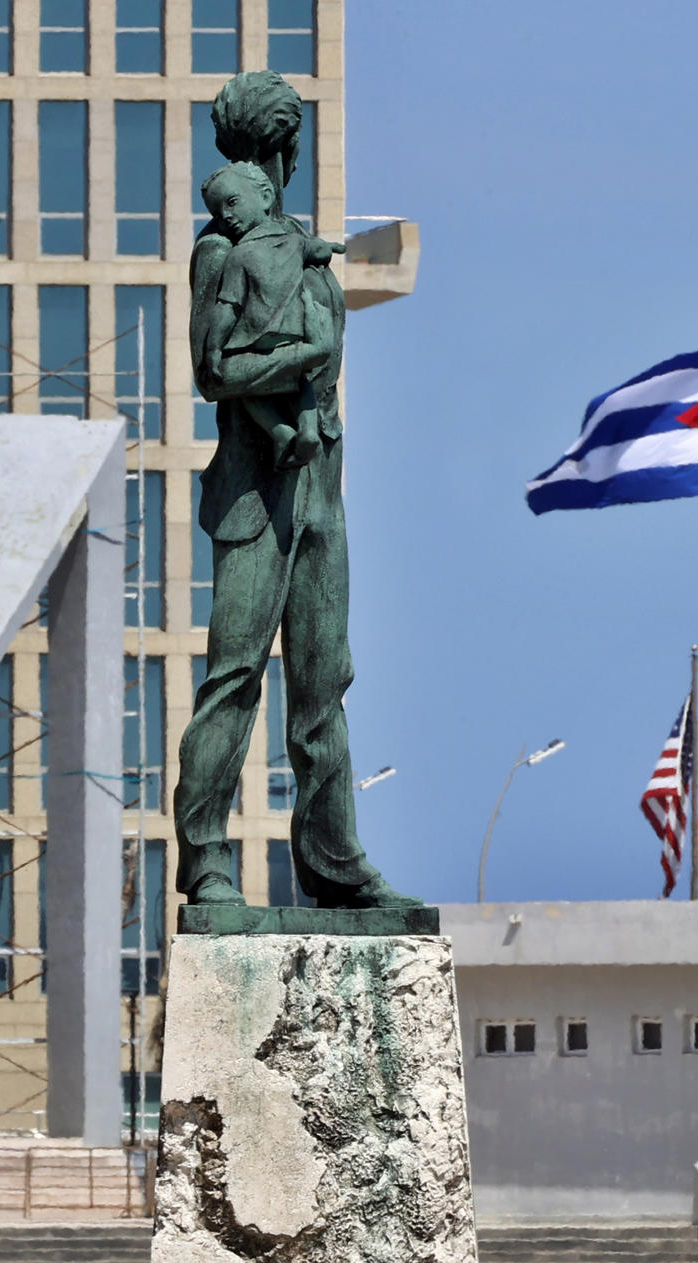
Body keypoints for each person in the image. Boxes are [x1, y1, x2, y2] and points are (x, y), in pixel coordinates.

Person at [172, 71, 419, 911]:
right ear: (285, 150)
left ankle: (333, 860)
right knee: (234, 674)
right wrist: (296, 362)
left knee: (323, 681)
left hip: (320, 490)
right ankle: (205, 855)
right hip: (253, 495)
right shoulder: (218, 250)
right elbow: (213, 370)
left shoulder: (303, 244)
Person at [198, 159, 346, 472]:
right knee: (299, 382)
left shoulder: (238, 256)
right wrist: (328, 247)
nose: (225, 216)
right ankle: (307, 430)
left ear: (266, 197)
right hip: (294, 342)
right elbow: (318, 251)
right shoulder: (294, 242)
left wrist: (213, 348)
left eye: (232, 202)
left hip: (255, 345)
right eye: (217, 212)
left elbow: (228, 307)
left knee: (245, 388)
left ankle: (282, 433)